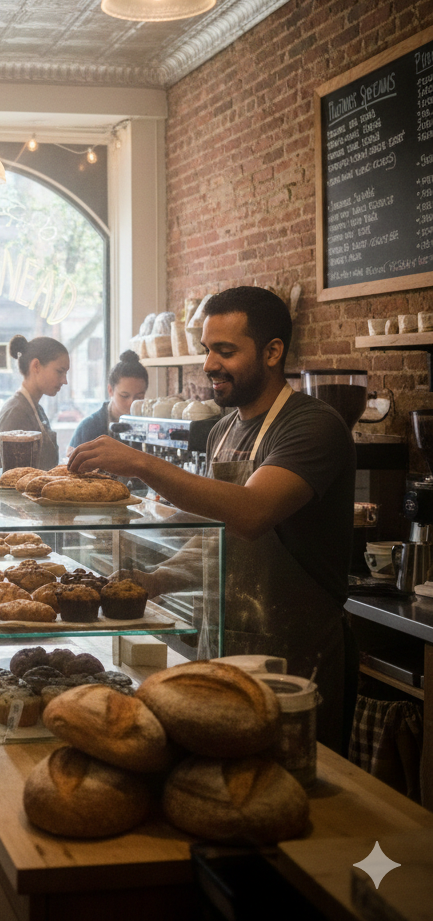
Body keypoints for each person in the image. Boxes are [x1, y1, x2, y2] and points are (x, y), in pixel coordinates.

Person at [69, 287, 356, 751]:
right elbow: (216, 536)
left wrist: (141, 463)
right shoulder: (223, 430)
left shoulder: (312, 425)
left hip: (294, 660)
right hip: (223, 645)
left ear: (272, 352)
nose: (209, 364)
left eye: (226, 350)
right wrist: (156, 580)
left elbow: (251, 513)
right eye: (207, 350)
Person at [0, 333, 70, 471]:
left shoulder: (35, 409)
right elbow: (16, 476)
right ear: (36, 366)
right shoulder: (16, 413)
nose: (65, 381)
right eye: (59, 371)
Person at [67, 350, 149, 452]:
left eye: (139, 397)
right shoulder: (88, 428)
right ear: (110, 390)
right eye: (124, 396)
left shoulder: (150, 428)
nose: (131, 403)